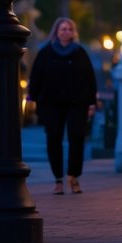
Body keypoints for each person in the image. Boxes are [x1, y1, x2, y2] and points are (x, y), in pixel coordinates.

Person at [27, 17, 98, 196]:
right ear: (56, 32)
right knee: (54, 138)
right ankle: (58, 179)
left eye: (69, 29)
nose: (66, 32)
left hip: (77, 103)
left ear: (73, 33)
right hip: (52, 103)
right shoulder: (46, 52)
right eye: (62, 29)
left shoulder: (80, 52)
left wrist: (91, 102)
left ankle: (73, 176)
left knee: (77, 138)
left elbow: (90, 79)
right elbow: (36, 77)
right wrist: (32, 98)